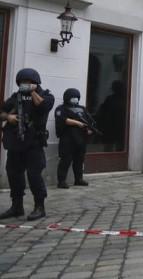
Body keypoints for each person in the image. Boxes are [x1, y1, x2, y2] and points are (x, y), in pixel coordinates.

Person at [0, 68, 55, 220]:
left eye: (28, 82)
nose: (24, 85)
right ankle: (16, 206)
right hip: (16, 142)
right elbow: (1, 113)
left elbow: (43, 107)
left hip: (34, 143)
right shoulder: (15, 97)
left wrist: (32, 91)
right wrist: (9, 117)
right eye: (22, 83)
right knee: (13, 173)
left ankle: (39, 207)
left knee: (34, 175)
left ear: (35, 82)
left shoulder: (46, 96)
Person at [55, 88, 95, 188]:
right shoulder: (61, 108)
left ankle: (79, 179)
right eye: (73, 97)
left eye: (76, 97)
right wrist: (77, 123)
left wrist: (90, 128)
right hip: (67, 140)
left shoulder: (82, 108)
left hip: (80, 139)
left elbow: (89, 120)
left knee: (79, 160)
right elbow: (62, 119)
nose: (75, 99)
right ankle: (61, 181)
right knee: (65, 161)